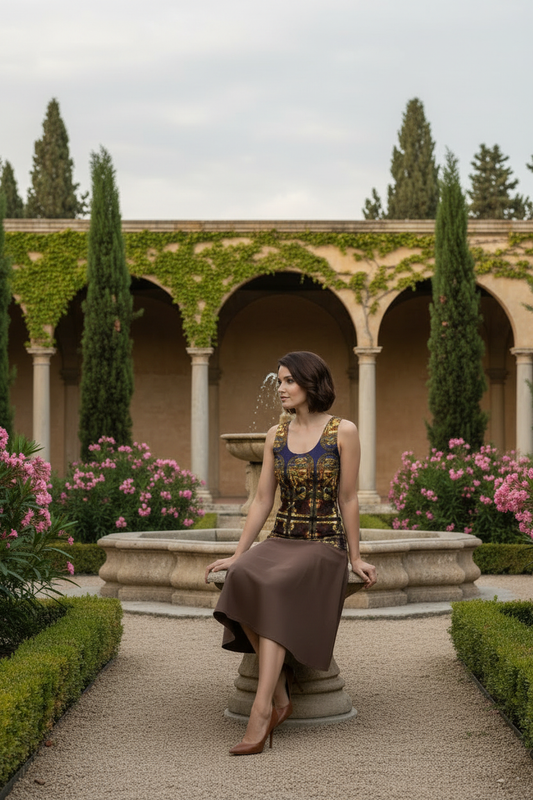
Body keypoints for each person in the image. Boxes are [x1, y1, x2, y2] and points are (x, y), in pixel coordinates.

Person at [205, 351, 377, 756]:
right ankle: (280, 692)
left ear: (310, 383)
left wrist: (355, 556)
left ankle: (260, 710)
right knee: (243, 576)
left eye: (288, 381)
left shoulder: (343, 431)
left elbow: (349, 498)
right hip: (282, 536)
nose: (280, 388)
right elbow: (263, 499)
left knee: (277, 585)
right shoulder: (274, 435)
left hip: (323, 543)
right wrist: (237, 553)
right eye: (279, 381)